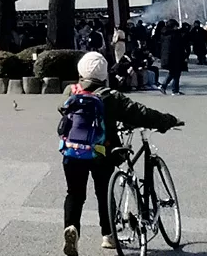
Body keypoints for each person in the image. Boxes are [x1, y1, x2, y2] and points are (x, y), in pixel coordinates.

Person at [59, 52, 182, 256]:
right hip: (102, 152)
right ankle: (108, 236)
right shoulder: (111, 96)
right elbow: (140, 113)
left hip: (73, 151)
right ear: (103, 73)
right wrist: (168, 120)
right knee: (103, 193)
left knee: (74, 193)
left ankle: (71, 228)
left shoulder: (70, 91)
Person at [159, 20, 185, 95]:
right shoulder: (174, 35)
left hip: (166, 56)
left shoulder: (164, 34)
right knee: (176, 73)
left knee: (173, 72)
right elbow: (178, 47)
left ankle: (166, 87)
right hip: (174, 56)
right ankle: (173, 89)